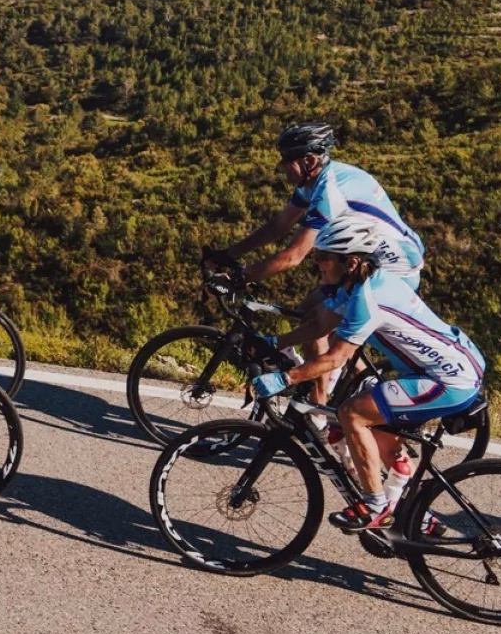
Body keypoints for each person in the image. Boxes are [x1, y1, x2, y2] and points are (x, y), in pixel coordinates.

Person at [248, 214, 486, 531]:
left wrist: (284, 379)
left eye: (324, 258)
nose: (318, 263)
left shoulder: (367, 299)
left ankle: (375, 507)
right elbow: (321, 325)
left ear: (351, 262)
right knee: (376, 429)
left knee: (353, 413)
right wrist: (275, 343)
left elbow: (335, 359)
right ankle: (416, 514)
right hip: (454, 365)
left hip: (448, 380)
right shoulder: (360, 283)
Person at [207, 121, 426, 401]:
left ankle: (318, 408)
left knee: (319, 322)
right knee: (307, 311)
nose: (282, 166)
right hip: (371, 260)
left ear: (309, 160)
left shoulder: (329, 192)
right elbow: (279, 225)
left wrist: (240, 278)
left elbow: (293, 256)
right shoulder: (314, 181)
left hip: (394, 269)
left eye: (287, 160)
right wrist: (230, 254)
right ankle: (356, 381)